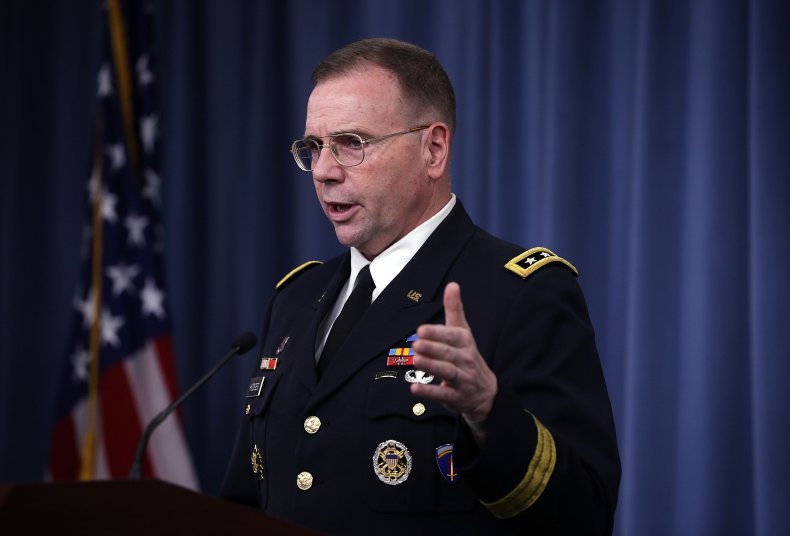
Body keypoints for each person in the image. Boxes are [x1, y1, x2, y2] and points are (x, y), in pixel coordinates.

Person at [221, 37, 620, 535]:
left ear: (433, 149)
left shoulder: (519, 293)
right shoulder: (297, 298)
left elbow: (585, 513)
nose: (323, 171)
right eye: (314, 147)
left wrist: (489, 413)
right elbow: (246, 499)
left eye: (352, 143)